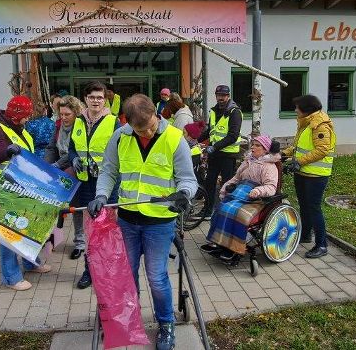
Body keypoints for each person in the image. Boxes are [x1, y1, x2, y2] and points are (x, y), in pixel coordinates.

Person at [89, 94, 197, 350]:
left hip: (160, 222)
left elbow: (188, 179)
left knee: (157, 276)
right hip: (127, 219)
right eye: (141, 129)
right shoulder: (120, 137)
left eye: (150, 124)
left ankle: (166, 324)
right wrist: (101, 195)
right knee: (126, 275)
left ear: (155, 113)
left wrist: (184, 194)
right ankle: (128, 319)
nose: (148, 131)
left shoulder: (174, 138)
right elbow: (108, 171)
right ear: (128, 123)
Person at [0, 95, 49, 291]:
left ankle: (30, 263)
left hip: (18, 188)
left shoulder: (17, 129)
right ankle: (11, 277)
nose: (28, 119)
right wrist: (6, 151)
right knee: (9, 233)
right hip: (2, 190)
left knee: (25, 228)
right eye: (26, 116)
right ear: (17, 115)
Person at [68, 82, 121, 289]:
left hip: (107, 185)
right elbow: (72, 148)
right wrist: (73, 159)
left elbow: (121, 152)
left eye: (100, 97)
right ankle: (90, 271)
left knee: (106, 229)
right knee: (91, 231)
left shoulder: (113, 122)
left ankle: (108, 270)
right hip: (85, 183)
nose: (96, 101)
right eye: (92, 97)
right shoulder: (78, 121)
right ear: (85, 99)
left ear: (105, 99)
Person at [201, 135, 282, 263]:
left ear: (266, 150)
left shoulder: (269, 166)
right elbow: (237, 178)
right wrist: (225, 187)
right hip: (240, 192)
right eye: (253, 144)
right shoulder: (248, 160)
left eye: (257, 145)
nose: (253, 147)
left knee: (236, 213)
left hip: (256, 198)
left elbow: (271, 187)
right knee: (221, 208)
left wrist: (257, 191)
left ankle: (234, 248)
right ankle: (219, 242)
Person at [281, 94, 336, 259]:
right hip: (303, 172)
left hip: (316, 175)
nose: (295, 110)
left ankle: (322, 245)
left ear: (307, 109)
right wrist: (283, 153)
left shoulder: (320, 125)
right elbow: (297, 146)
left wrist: (299, 162)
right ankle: (305, 235)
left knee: (314, 208)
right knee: (304, 206)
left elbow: (322, 150)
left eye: (298, 107)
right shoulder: (305, 123)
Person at [198, 84, 243, 218]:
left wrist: (215, 146)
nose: (221, 98)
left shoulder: (234, 112)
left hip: (228, 155)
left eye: (223, 96)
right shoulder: (214, 111)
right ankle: (207, 210)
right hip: (215, 154)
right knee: (209, 182)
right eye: (218, 95)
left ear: (228, 96)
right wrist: (196, 139)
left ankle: (225, 212)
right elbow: (210, 131)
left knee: (226, 184)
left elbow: (233, 135)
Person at [44, 95, 82, 174]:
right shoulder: (58, 126)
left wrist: (58, 164)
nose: (63, 118)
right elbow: (51, 148)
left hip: (76, 168)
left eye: (67, 114)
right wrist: (47, 165)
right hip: (60, 166)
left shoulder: (82, 127)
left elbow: (76, 150)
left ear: (76, 113)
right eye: (61, 114)